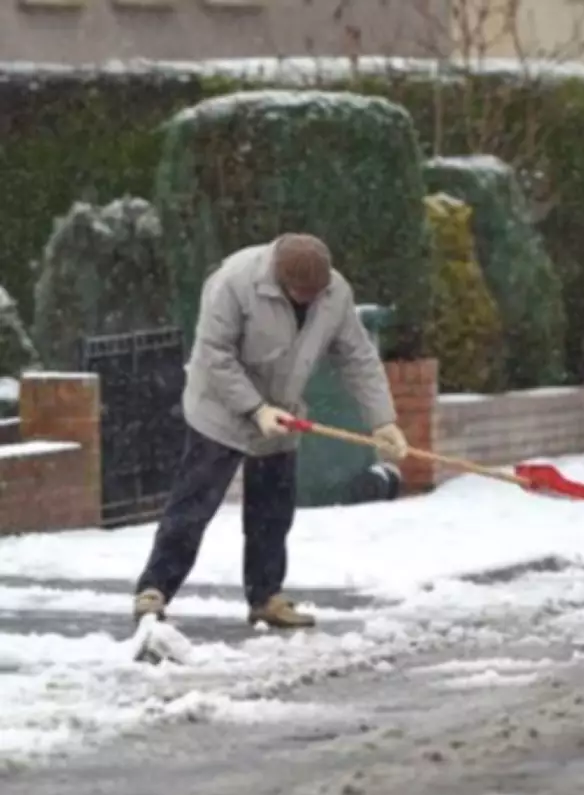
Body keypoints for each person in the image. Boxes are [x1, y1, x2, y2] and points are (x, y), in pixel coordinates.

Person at [132, 233, 408, 629]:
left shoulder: (335, 292)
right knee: (194, 505)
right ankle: (154, 588)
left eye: (315, 293)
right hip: (220, 406)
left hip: (283, 408)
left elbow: (358, 357)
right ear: (279, 278)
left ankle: (266, 597)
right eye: (299, 293)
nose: (307, 301)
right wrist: (255, 408)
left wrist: (383, 420)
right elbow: (213, 355)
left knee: (272, 512)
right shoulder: (235, 282)